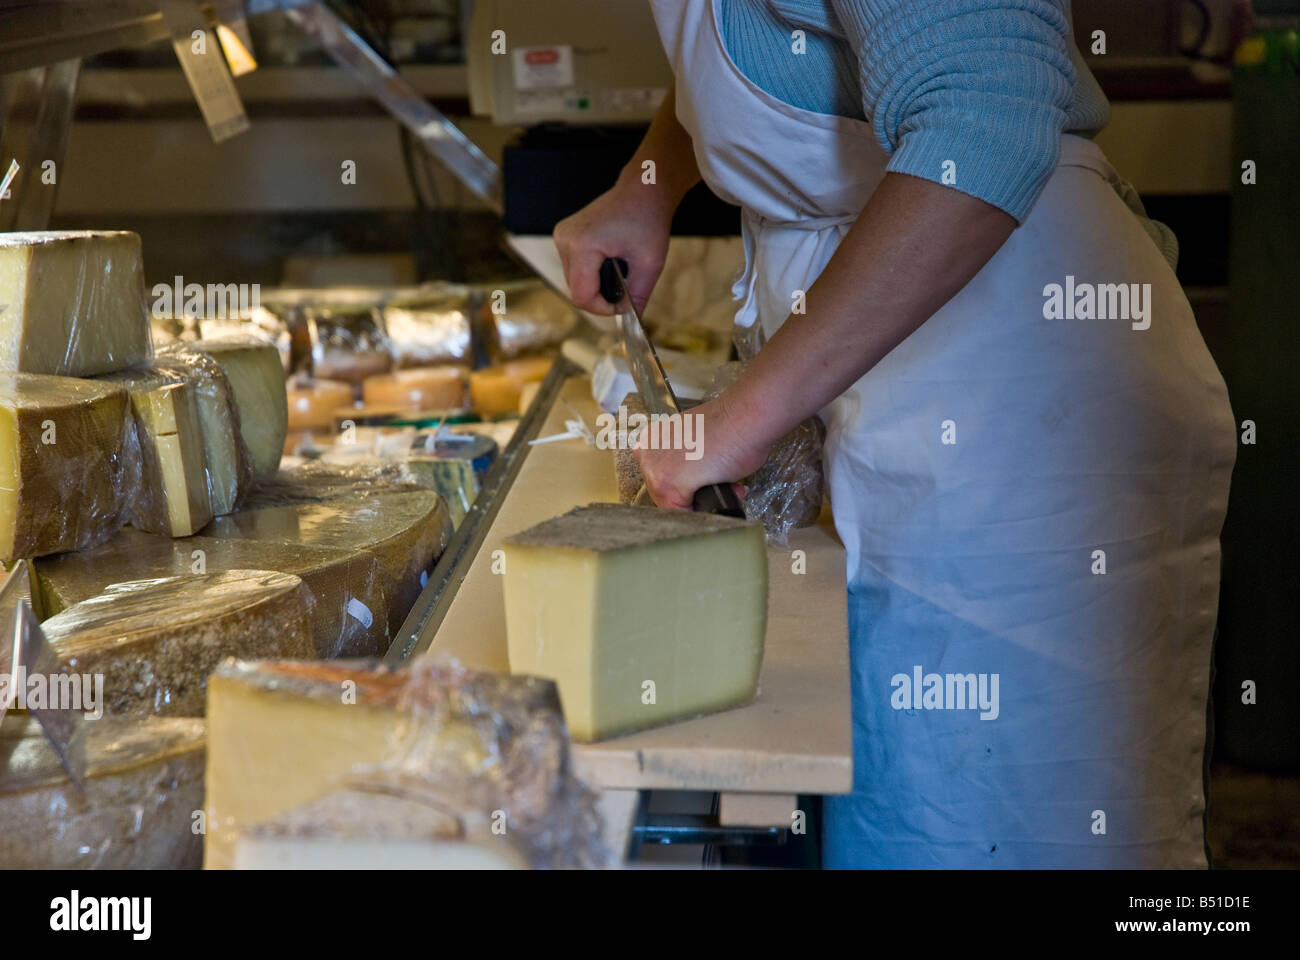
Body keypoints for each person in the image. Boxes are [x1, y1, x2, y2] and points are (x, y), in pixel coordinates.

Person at [554, 0, 1236, 868]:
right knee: (889, 794)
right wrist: (647, 185)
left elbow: (985, 112)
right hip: (874, 363)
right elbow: (781, 47)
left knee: (993, 822)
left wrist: (738, 420)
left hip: (1006, 394)